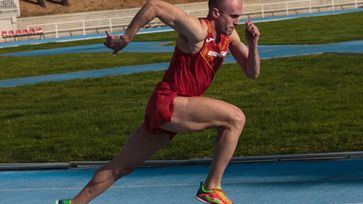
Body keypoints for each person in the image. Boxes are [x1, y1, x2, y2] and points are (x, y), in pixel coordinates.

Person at [56, 0, 260, 203]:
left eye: (239, 16)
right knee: (236, 118)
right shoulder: (197, 31)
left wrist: (252, 44)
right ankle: (211, 187)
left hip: (173, 108)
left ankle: (73, 203)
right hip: (169, 102)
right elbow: (154, 5)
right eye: (233, 16)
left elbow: (252, 72)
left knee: (120, 167)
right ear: (215, 13)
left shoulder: (229, 36)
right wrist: (126, 38)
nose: (238, 21)